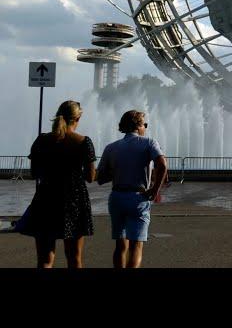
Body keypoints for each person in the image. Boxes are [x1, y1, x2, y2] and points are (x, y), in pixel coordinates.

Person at [18, 100, 96, 268]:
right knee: (74, 259)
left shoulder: (42, 140)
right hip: (74, 201)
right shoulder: (83, 142)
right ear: (77, 118)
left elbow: (34, 173)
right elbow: (90, 177)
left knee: (45, 260)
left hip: (46, 199)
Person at [97, 110, 167, 268]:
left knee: (120, 246)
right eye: (145, 125)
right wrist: (155, 190)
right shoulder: (149, 142)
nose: (146, 128)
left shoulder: (111, 147)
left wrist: (119, 170)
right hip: (138, 197)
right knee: (136, 245)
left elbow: (100, 178)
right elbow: (162, 164)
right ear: (139, 126)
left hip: (117, 197)